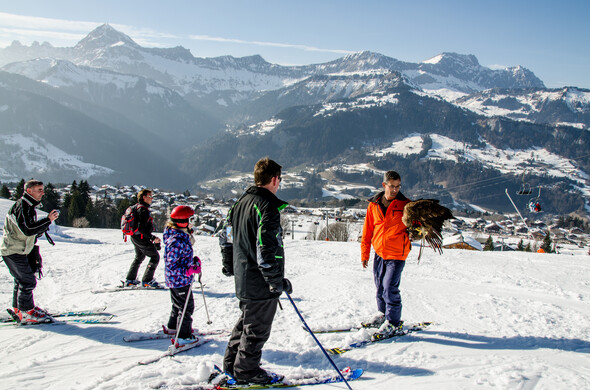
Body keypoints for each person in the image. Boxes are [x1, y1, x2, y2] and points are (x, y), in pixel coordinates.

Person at [219, 157, 291, 385]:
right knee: (256, 330)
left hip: (244, 278)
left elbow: (226, 238)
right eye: (279, 179)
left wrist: (230, 266)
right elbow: (267, 249)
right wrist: (275, 280)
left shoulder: (240, 203)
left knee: (246, 323)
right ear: (274, 179)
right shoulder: (266, 206)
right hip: (259, 282)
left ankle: (232, 364)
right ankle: (247, 371)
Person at [361, 170, 412, 338]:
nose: (395, 189)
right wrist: (365, 254)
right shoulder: (374, 204)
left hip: (397, 254)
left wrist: (418, 230)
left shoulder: (406, 206)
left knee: (390, 288)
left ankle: (394, 323)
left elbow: (417, 227)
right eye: (392, 186)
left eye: (398, 186)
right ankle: (382, 314)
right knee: (380, 287)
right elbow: (367, 230)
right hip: (380, 253)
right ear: (384, 185)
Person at [1, 179, 59, 323]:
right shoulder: (23, 206)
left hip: (18, 249)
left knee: (21, 280)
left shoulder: (28, 206)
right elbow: (27, 230)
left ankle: (20, 309)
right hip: (14, 250)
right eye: (39, 190)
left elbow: (30, 229)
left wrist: (43, 225)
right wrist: (47, 220)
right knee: (28, 282)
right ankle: (26, 312)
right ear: (29, 191)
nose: (42, 193)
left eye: (42, 190)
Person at [163, 205, 201, 345]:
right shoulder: (176, 241)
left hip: (177, 280)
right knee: (186, 307)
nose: (192, 221)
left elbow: (180, 258)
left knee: (177, 305)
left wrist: (192, 262)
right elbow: (171, 265)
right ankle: (183, 335)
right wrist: (187, 270)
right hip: (179, 279)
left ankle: (173, 327)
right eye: (190, 219)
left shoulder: (180, 235)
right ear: (182, 221)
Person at [124, 189, 162, 287]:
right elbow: (142, 228)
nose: (151, 198)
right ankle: (147, 281)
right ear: (144, 197)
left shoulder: (136, 207)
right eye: (149, 196)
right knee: (155, 257)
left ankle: (130, 280)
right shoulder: (143, 210)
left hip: (134, 237)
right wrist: (153, 238)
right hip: (141, 238)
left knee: (139, 257)